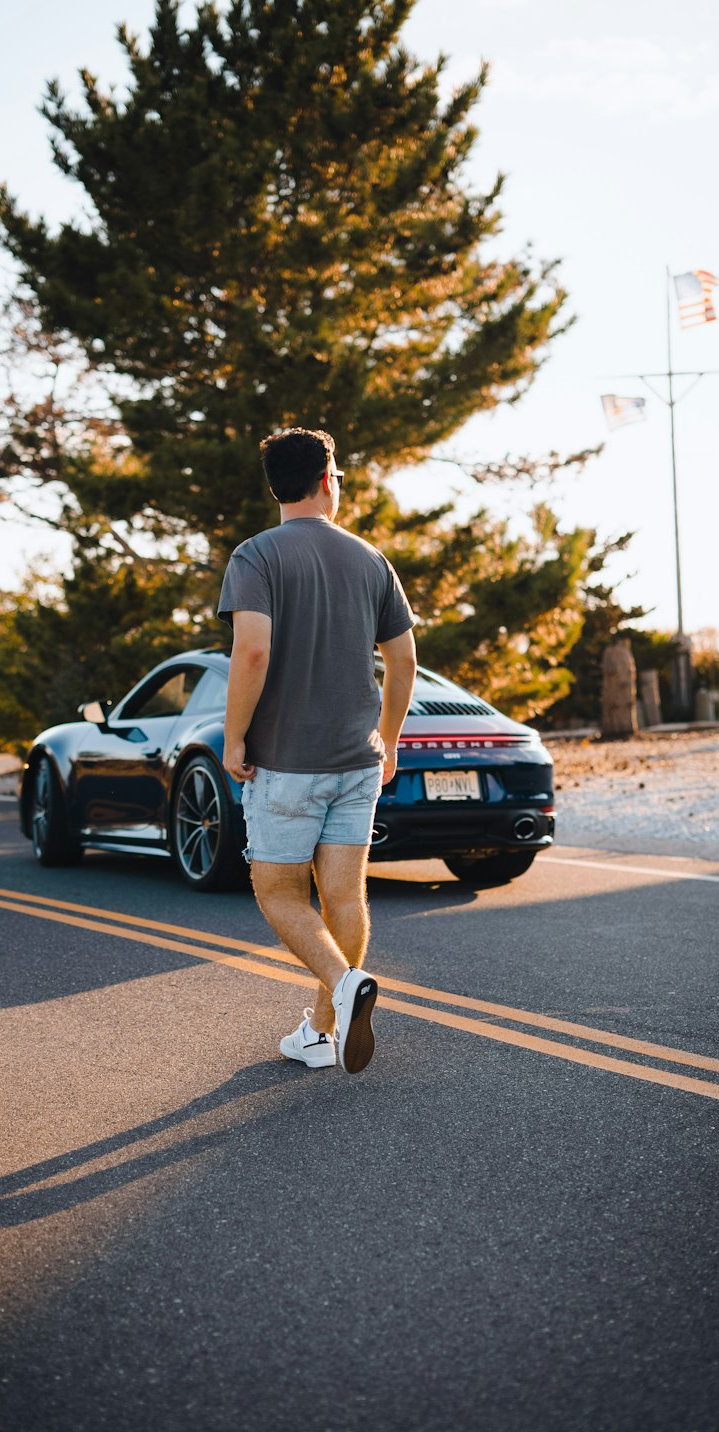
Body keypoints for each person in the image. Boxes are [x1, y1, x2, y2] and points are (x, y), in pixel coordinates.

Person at [217, 427, 416, 1074]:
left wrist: (235, 736)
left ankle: (342, 985)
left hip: (287, 762)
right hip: (357, 761)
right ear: (327, 479)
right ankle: (323, 1034)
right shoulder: (369, 558)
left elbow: (251, 651)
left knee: (277, 892)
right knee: (344, 896)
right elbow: (404, 658)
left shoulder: (257, 556)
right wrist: (388, 740)